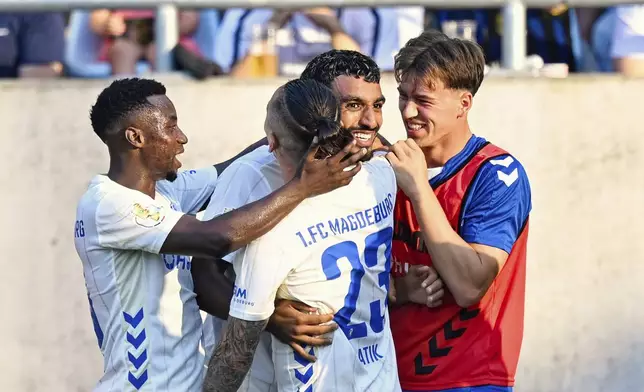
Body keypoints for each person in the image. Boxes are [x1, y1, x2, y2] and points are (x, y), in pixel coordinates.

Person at [73, 77, 366, 392]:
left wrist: (297, 126)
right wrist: (304, 186)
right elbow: (217, 238)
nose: (182, 138)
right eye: (170, 127)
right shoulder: (108, 205)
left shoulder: (168, 191)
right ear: (135, 137)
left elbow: (232, 165)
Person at [194, 49, 443, 391]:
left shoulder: (381, 170)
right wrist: (271, 318)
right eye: (354, 105)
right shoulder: (252, 177)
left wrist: (398, 288)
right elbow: (203, 274)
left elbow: (349, 275)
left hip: (372, 376)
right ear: (319, 104)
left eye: (378, 105)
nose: (371, 121)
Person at [386, 30, 532, 392]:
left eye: (423, 100)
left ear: (464, 103)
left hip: (469, 381)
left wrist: (419, 189)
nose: (407, 112)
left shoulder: (497, 174)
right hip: (382, 377)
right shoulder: (381, 168)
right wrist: (398, 289)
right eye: (402, 96)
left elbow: (469, 286)